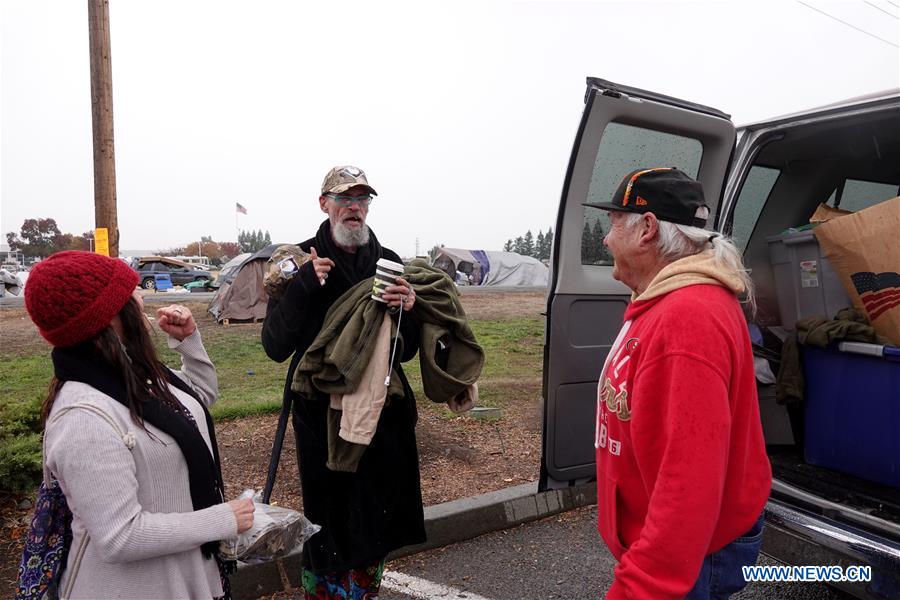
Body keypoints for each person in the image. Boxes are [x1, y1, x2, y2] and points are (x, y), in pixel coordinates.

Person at [584, 168, 772, 599]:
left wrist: (641, 588)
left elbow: (690, 485)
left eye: (614, 225)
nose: (606, 240)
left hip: (692, 555)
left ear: (647, 229)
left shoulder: (687, 318)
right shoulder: (665, 301)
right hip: (688, 547)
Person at [24, 251, 254, 599]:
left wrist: (188, 341)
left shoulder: (135, 373)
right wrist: (222, 519)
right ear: (108, 318)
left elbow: (199, 399)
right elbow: (119, 536)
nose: (142, 296)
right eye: (130, 293)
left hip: (183, 575)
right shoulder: (83, 416)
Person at [262, 165, 423, 598]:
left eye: (362, 199)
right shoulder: (297, 260)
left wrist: (409, 307)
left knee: (377, 519)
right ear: (324, 204)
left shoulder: (388, 261)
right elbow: (274, 346)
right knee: (329, 522)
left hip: (381, 414)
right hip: (322, 417)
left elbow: (404, 350)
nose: (354, 208)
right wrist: (302, 289)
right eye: (344, 198)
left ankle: (365, 594)